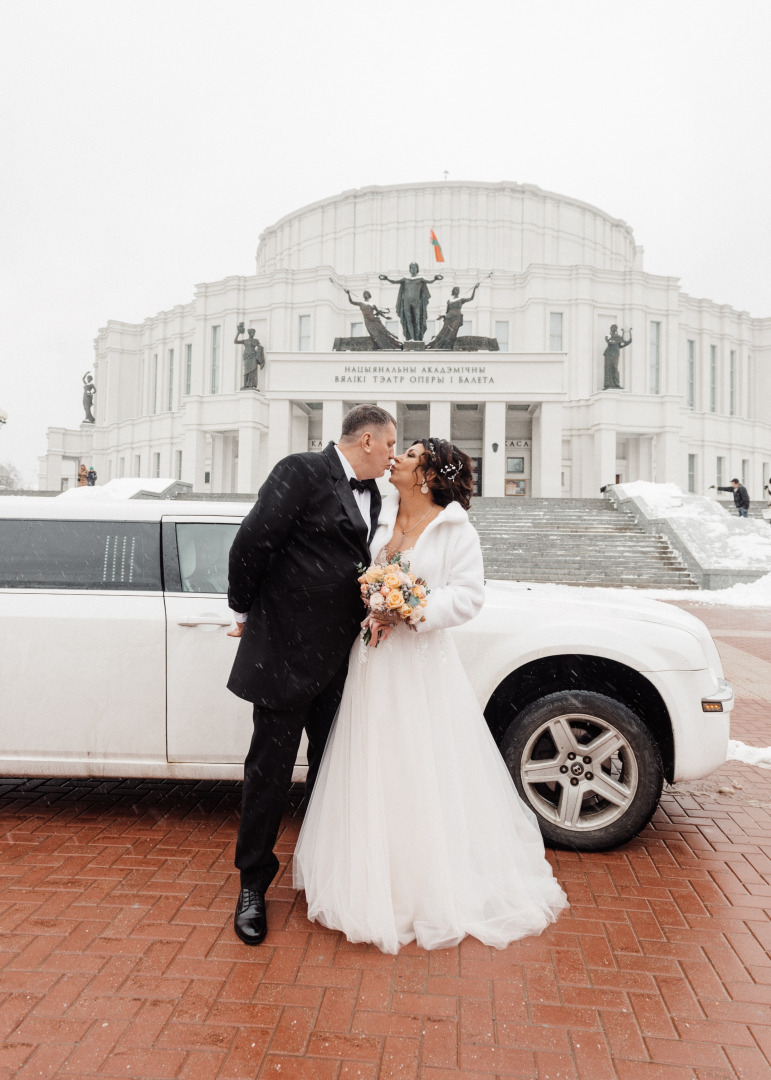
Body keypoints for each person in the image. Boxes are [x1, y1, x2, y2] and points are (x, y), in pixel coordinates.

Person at [293, 437, 568, 953]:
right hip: (373, 662)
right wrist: (373, 604)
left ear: (428, 474)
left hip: (420, 666)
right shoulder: (378, 517)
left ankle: (427, 885)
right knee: (373, 761)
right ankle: (372, 876)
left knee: (420, 764)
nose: (396, 458)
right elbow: (359, 577)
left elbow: (468, 597)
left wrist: (409, 610)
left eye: (411, 453)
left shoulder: (455, 530)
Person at [226, 404, 397, 945]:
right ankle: (253, 883)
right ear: (366, 439)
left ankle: (324, 873)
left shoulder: (381, 495)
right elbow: (252, 542)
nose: (394, 456)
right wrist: (245, 612)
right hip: (284, 655)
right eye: (391, 445)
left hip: (343, 661)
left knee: (330, 773)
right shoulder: (300, 470)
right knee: (268, 776)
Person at [378, 263, 443, 341]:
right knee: (408, 320)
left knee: (417, 320)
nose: (413, 269)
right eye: (411, 268)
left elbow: (429, 282)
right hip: (406, 302)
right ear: (409, 269)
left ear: (417, 269)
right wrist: (386, 279)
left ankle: (418, 339)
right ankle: (411, 338)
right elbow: (394, 282)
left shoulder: (420, 279)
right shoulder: (405, 279)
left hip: (417, 302)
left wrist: (435, 279)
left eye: (414, 268)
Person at [426, 283, 480, 350]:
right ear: (453, 291)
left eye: (458, 290)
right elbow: (447, 311)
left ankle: (448, 345)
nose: (458, 291)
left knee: (452, 332)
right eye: (456, 289)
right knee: (444, 332)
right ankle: (441, 344)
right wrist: (443, 316)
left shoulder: (461, 299)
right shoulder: (449, 301)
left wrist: (474, 289)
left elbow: (471, 298)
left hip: (457, 317)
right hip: (449, 318)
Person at [234, 324, 265, 389]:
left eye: (254, 333)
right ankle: (245, 385)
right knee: (246, 371)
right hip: (246, 357)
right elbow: (235, 341)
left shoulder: (256, 340)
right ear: (249, 333)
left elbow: (260, 348)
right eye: (252, 332)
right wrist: (238, 333)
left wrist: (260, 357)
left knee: (253, 371)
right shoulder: (245, 341)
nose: (253, 334)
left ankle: (251, 385)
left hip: (253, 356)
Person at [603, 325, 632, 390]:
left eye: (615, 328)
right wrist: (619, 340)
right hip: (608, 353)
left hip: (616, 354)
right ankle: (607, 384)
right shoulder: (608, 335)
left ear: (616, 329)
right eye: (612, 328)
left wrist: (630, 334)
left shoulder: (618, 337)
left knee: (615, 368)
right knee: (607, 368)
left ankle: (616, 384)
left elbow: (623, 344)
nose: (613, 329)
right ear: (611, 329)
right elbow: (610, 342)